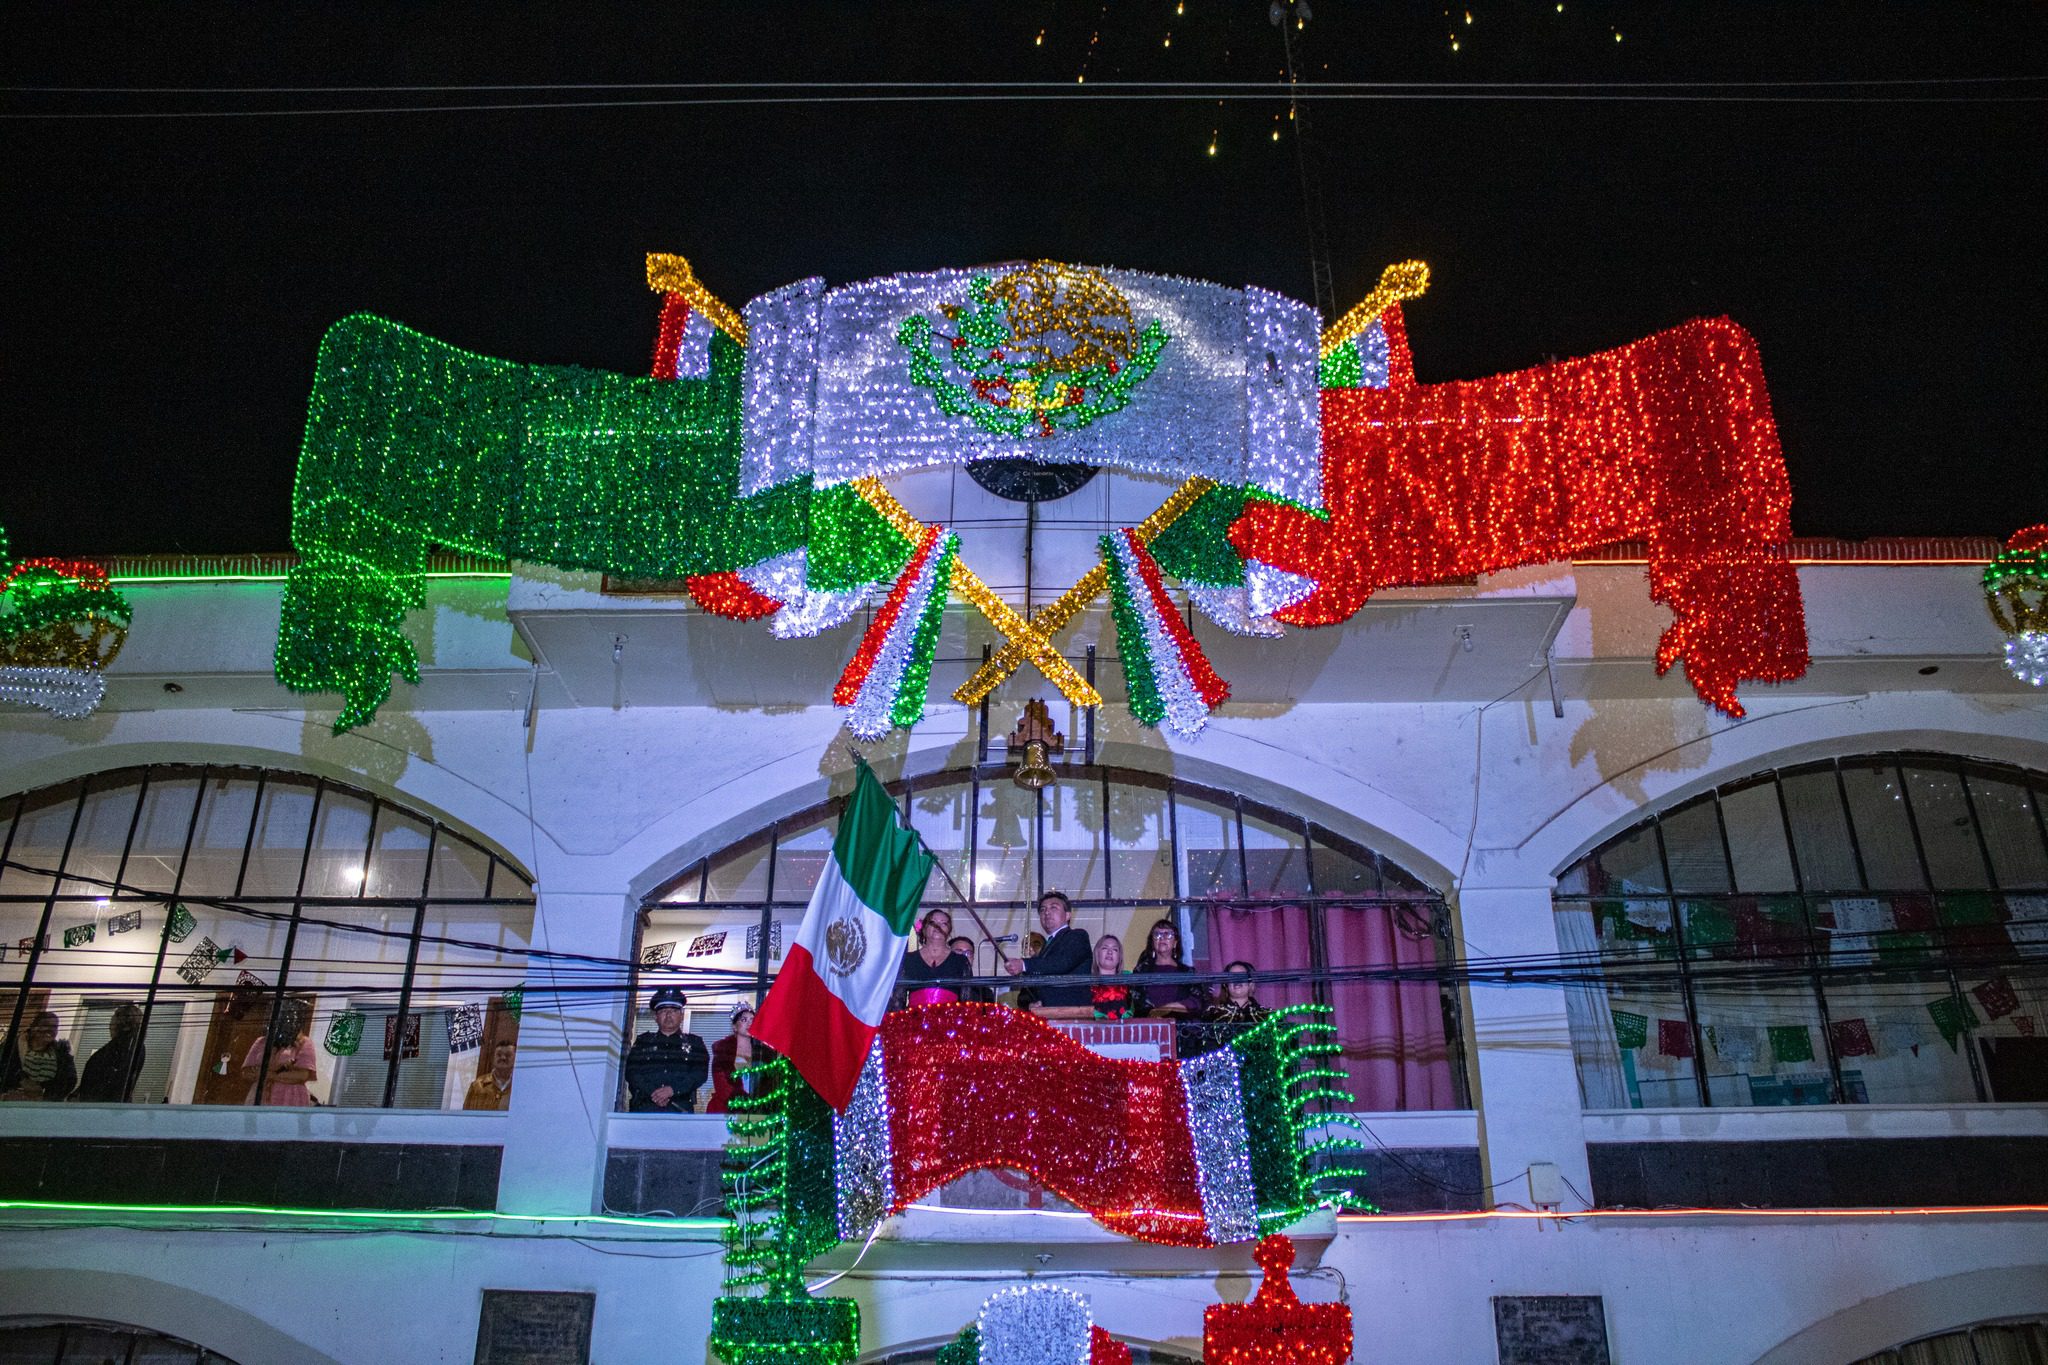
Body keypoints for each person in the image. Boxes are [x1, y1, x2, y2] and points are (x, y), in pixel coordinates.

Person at [623, 986, 709, 1113]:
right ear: (655, 1017)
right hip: (645, 1109)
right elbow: (632, 1073)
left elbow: (699, 1074)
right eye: (663, 1011)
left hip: (680, 1109)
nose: (668, 1015)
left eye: (673, 1011)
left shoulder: (695, 1043)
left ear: (681, 1015)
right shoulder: (643, 1042)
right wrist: (654, 1093)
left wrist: (673, 1090)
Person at [1004, 890, 1092, 1008]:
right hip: (1047, 1015)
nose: (1046, 912)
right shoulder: (1045, 948)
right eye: (1042, 910)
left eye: (1053, 908)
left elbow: (1062, 963)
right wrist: (1030, 1003)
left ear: (1067, 915)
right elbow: (1028, 991)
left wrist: (1024, 964)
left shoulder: (1077, 936)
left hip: (1072, 1014)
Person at [1029, 935, 1132, 1021]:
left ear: (1119, 957)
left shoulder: (1129, 979)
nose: (1110, 952)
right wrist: (1043, 1004)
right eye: (1105, 948)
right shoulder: (1084, 981)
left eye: (1115, 949)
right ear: (1097, 953)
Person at [242, 1002, 317, 1106]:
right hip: (259, 1097)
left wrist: (266, 1074)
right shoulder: (261, 1042)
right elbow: (246, 1072)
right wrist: (284, 1072)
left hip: (291, 1097)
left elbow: (302, 1075)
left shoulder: (304, 1043)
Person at [73, 1002, 147, 1103]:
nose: (110, 1027)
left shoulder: (127, 1048)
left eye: (113, 1023)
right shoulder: (129, 1047)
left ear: (124, 1026)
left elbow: (112, 1083)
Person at [1133, 918, 1207, 1018]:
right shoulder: (1141, 971)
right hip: (1150, 1027)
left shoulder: (1187, 972)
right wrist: (1156, 1014)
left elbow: (1197, 1001)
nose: (1162, 938)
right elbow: (1138, 1002)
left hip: (1182, 1029)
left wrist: (1169, 1008)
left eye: (1167, 934)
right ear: (1152, 942)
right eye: (1157, 934)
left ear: (1175, 942)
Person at [708, 1004, 774, 1113]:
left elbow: (769, 1082)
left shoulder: (764, 1053)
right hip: (727, 1108)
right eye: (744, 1020)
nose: (749, 1023)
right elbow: (721, 1084)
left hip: (758, 1109)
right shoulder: (723, 1051)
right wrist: (740, 1102)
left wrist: (758, 1102)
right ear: (734, 1026)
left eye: (752, 1020)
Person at [899, 910, 972, 1007]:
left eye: (943, 923)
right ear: (924, 929)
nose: (938, 926)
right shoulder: (909, 960)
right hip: (915, 1019)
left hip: (949, 1019)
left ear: (949, 931)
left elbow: (966, 1000)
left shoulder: (960, 961)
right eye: (933, 922)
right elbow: (899, 999)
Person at [1, 1010, 76, 1101]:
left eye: (54, 1027)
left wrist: (47, 1098)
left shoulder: (61, 1054)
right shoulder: (12, 1048)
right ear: (34, 1027)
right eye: (46, 1025)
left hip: (42, 1108)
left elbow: (70, 1080)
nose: (50, 1029)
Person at [1205, 961, 1269, 1024]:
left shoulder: (1265, 1015)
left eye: (1242, 976)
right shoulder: (1213, 1014)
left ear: (1250, 983)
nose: (1237, 981)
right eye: (1233, 977)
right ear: (1226, 985)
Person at [463, 1040, 517, 1111]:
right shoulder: (477, 1086)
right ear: (493, 1058)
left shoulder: (521, 1087)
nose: (503, 1058)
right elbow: (466, 1115)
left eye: (508, 1055)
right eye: (499, 1054)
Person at [949, 935, 995, 1004]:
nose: (964, 957)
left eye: (968, 953)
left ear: (973, 958)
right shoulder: (940, 986)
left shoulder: (984, 992)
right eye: (959, 952)